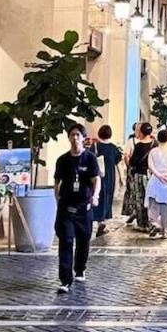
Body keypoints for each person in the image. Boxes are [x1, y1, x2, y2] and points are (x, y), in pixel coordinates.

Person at [53, 124, 101, 292]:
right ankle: (65, 280)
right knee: (66, 240)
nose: (75, 138)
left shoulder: (90, 158)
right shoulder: (63, 160)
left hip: (84, 208)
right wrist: (58, 199)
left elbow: (96, 179)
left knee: (83, 240)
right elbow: (57, 182)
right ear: (69, 137)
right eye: (72, 135)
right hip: (67, 208)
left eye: (78, 135)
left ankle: (80, 268)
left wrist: (95, 196)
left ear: (83, 138)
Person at [146, 128, 167, 238]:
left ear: (158, 138)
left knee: (153, 206)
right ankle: (165, 231)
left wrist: (159, 175)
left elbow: (150, 166)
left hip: (155, 181)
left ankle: (155, 224)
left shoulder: (153, 151)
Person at [92, 125, 123, 237]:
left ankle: (98, 220)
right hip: (109, 176)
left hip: (96, 176)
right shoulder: (114, 148)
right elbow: (118, 164)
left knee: (97, 196)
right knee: (107, 197)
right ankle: (102, 221)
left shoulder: (95, 146)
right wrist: (122, 178)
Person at [125, 122, 155, 231]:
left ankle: (143, 223)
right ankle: (152, 222)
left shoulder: (138, 145)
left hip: (140, 175)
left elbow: (133, 162)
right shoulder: (155, 144)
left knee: (140, 199)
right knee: (151, 199)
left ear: (141, 132)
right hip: (153, 175)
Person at [122, 123, 138, 225]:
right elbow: (126, 156)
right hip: (133, 170)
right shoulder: (131, 141)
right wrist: (129, 167)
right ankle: (132, 212)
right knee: (132, 191)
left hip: (142, 170)